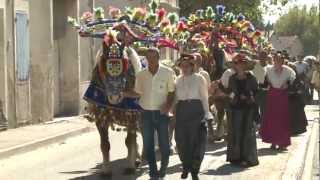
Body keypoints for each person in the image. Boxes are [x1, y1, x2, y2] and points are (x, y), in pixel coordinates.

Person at [124, 47, 175, 180]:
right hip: (145, 113)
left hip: (162, 114)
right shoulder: (141, 75)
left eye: (154, 57)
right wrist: (124, 94)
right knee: (148, 145)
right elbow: (137, 92)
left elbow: (171, 92)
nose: (151, 60)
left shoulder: (168, 72)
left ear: (158, 58)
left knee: (164, 144)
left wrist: (168, 105)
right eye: (149, 58)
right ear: (146, 59)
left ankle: (164, 167)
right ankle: (153, 172)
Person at [174, 54, 211, 180]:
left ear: (192, 67)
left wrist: (206, 113)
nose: (184, 68)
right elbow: (175, 98)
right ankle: (185, 166)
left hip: (196, 110)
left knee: (196, 141)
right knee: (181, 140)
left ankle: (195, 170)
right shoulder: (178, 80)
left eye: (187, 66)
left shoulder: (199, 78)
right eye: (182, 66)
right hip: (182, 111)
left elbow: (205, 97)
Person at [226, 53, 259, 167]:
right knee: (236, 132)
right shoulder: (232, 78)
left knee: (247, 133)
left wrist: (249, 97)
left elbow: (256, 92)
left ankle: (248, 158)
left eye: (242, 63)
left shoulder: (251, 77)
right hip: (235, 108)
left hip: (248, 108)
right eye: (237, 63)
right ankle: (235, 157)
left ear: (245, 65)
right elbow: (229, 92)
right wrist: (233, 96)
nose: (239, 65)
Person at [260, 52, 296, 151]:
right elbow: (262, 77)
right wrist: (266, 82)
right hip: (272, 95)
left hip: (282, 95)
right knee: (272, 118)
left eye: (280, 60)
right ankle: (273, 141)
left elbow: (293, 75)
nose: (278, 61)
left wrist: (288, 83)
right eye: (276, 59)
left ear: (283, 61)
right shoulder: (268, 69)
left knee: (282, 118)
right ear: (273, 60)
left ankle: (282, 142)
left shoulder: (288, 70)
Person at [287, 64, 308, 135]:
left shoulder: (297, 79)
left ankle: (296, 130)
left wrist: (296, 92)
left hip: (296, 100)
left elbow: (301, 88)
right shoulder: (285, 77)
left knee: (297, 115)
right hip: (287, 99)